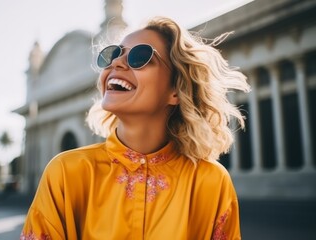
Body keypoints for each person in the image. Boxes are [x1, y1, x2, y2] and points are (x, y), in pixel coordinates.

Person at [20, 16, 250, 240]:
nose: (117, 63)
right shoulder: (65, 174)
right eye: (113, 54)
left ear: (175, 91)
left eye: (140, 56)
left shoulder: (211, 182)